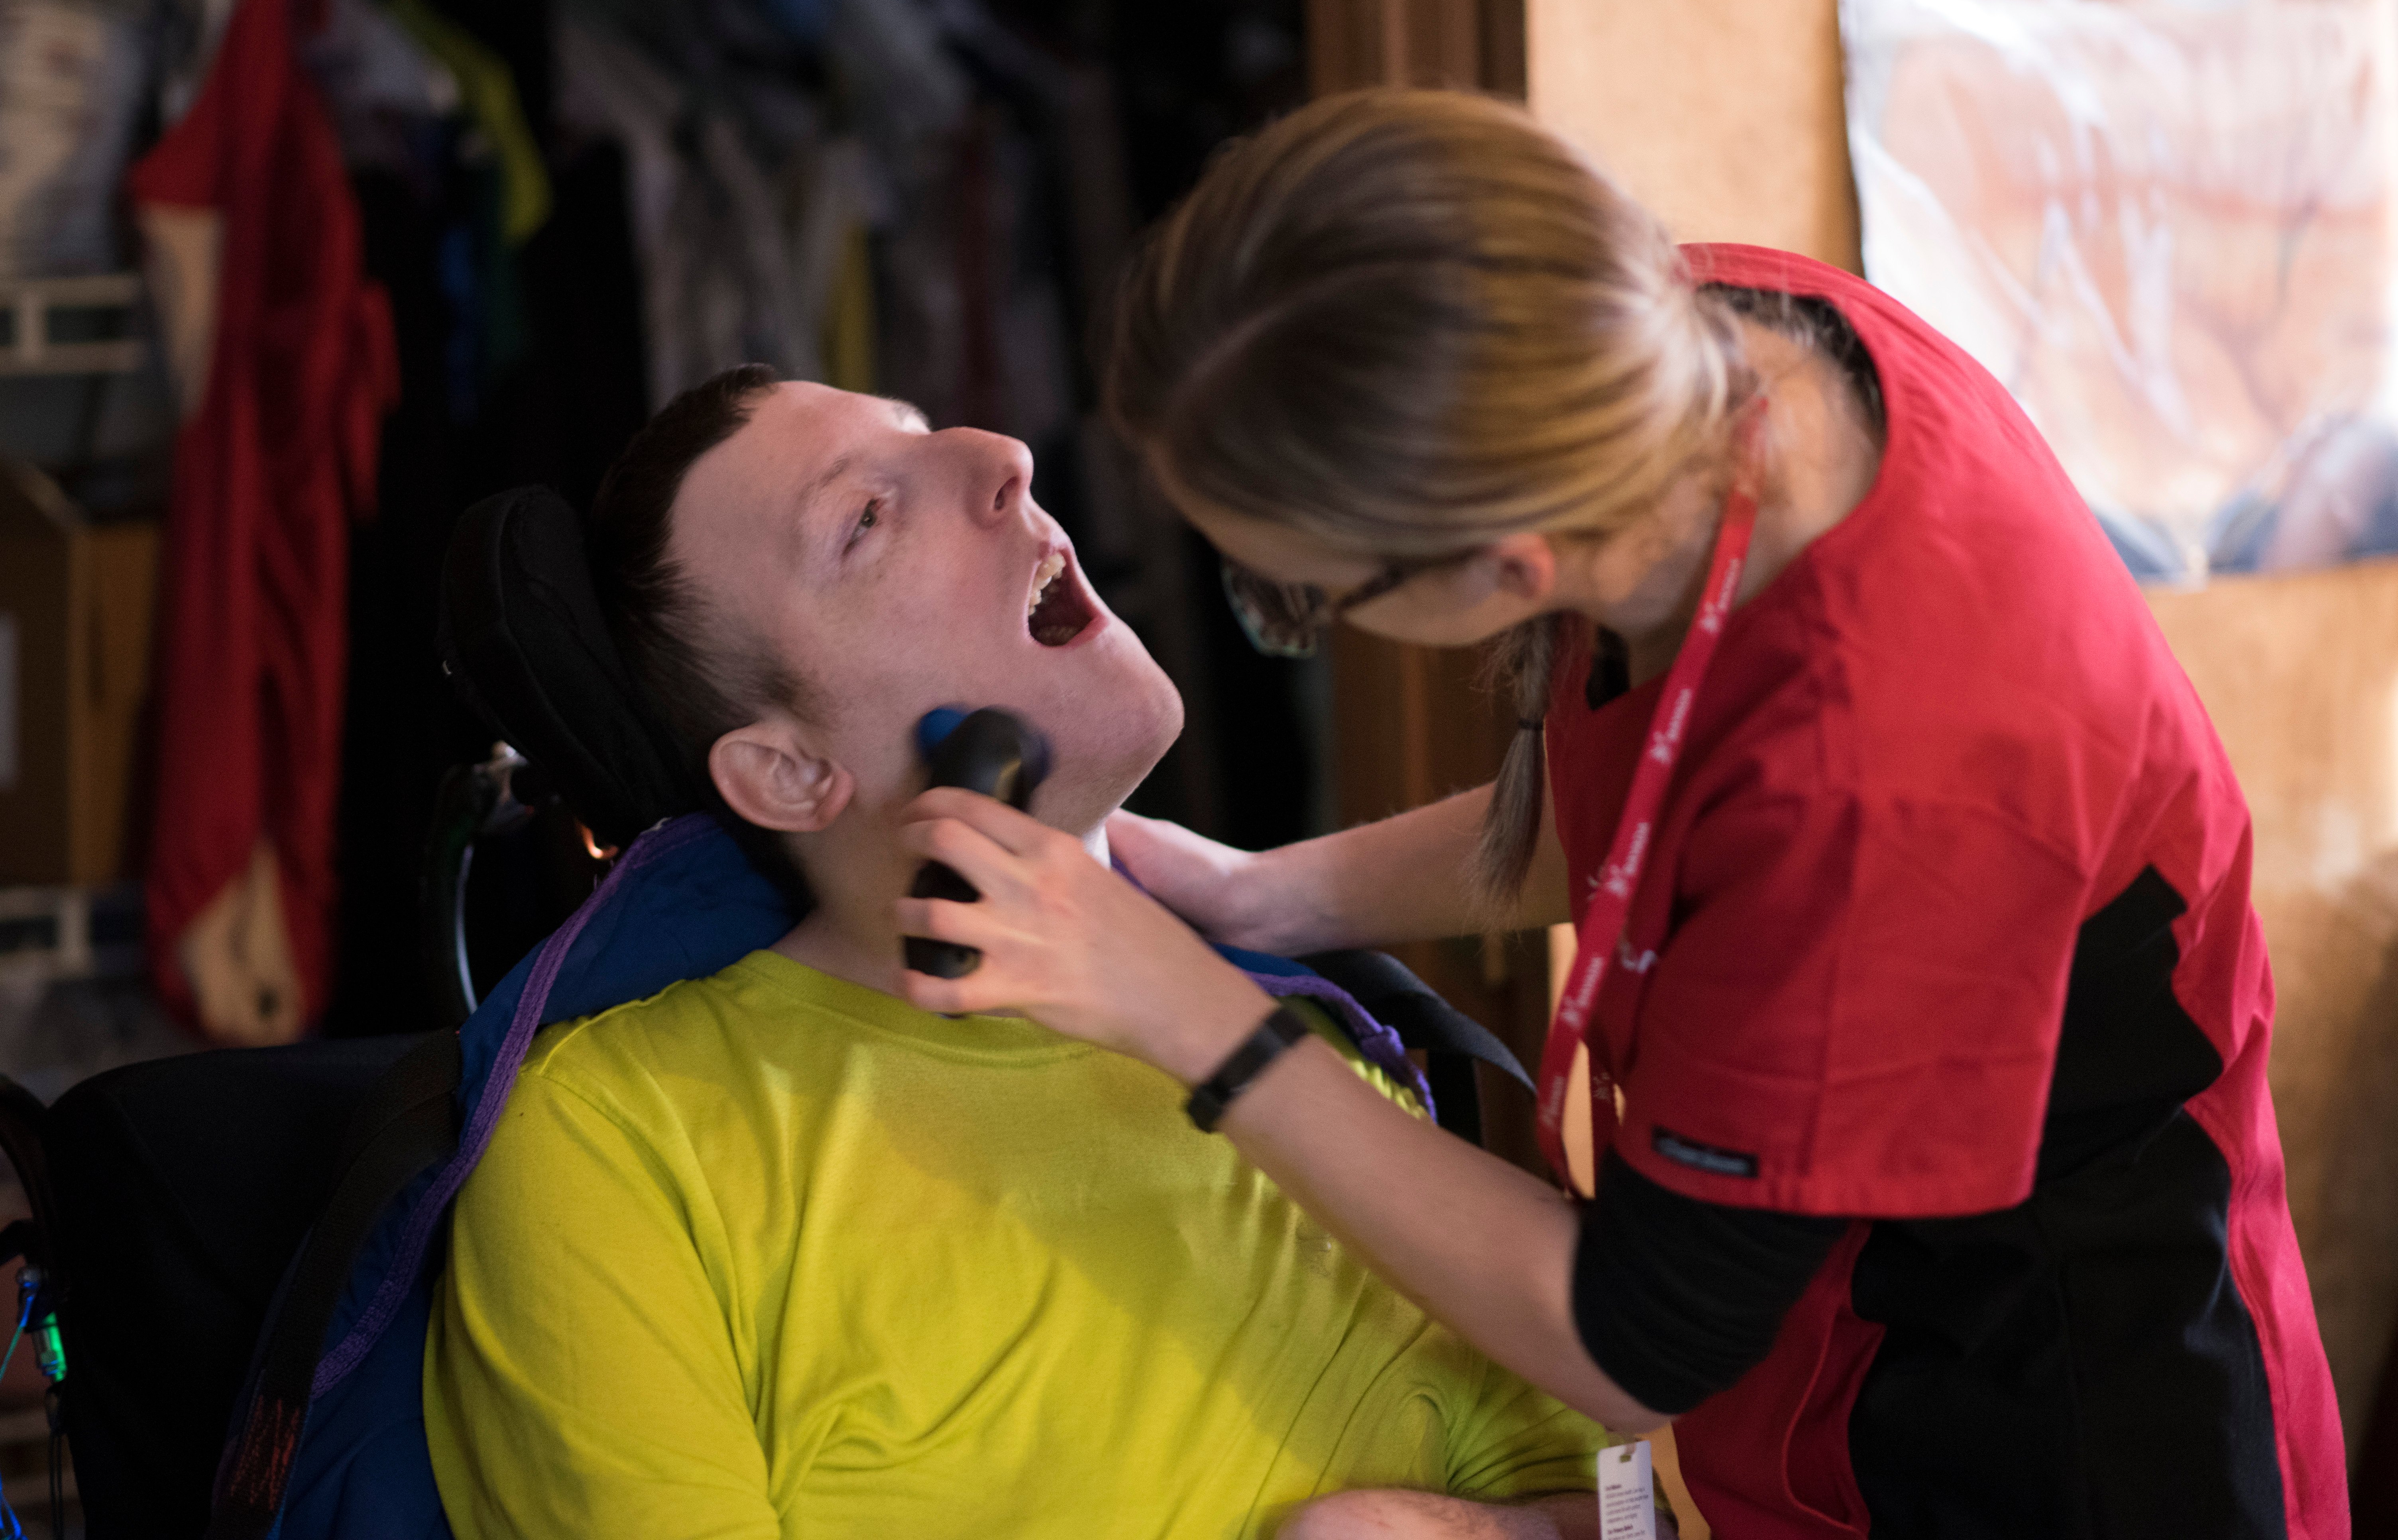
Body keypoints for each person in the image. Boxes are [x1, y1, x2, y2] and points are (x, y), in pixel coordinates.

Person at [892, 89, 2350, 1538]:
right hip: (1816, 1361)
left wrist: (1189, 1011)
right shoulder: (1668, 363)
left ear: (1512, 570)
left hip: (2048, 1435)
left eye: (1301, 599)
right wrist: (1259, 898)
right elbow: (1655, 804)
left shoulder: (1880, 774)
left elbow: (1630, 1338)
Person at [420, 366, 1615, 1540]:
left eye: (930, 426)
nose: (1003, 453)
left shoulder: (1312, 1073)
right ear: (787, 772)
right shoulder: (617, 1140)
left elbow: (1627, 1500)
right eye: (868, 518)